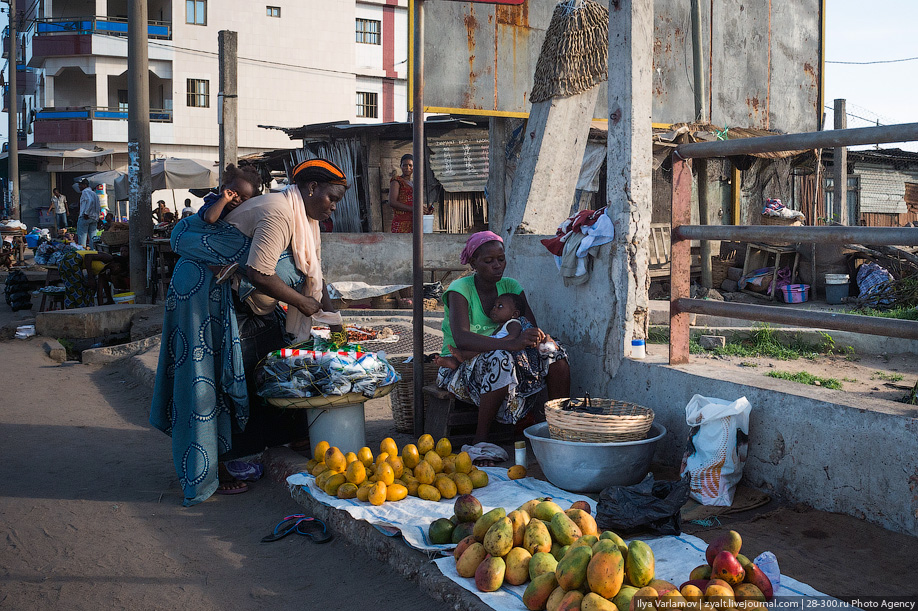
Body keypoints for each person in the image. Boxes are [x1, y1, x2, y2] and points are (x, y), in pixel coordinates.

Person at [150, 158, 348, 506]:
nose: (333, 205)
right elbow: (259, 273)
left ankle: (292, 434)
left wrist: (335, 320)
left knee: (274, 354)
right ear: (311, 188)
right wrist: (304, 305)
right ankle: (213, 466)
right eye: (331, 197)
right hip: (205, 290)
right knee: (211, 376)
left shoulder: (304, 220)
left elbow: (311, 274)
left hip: (232, 290)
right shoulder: (280, 213)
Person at [437, 231, 571, 452]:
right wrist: (509, 344)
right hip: (460, 365)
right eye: (489, 261)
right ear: (474, 263)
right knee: (500, 359)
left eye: (501, 259)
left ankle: (560, 428)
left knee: (555, 354)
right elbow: (461, 338)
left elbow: (528, 327)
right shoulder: (459, 290)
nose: (497, 265)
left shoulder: (511, 287)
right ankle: (480, 440)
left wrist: (540, 338)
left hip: (510, 355)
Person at [388, 154, 416, 233]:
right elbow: (392, 202)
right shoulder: (397, 181)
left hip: (413, 222)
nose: (407, 168)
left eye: (410, 165)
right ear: (400, 166)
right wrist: (414, 209)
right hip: (400, 223)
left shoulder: (413, 183)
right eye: (405, 165)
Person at [76, 179, 101, 248]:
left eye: (80, 185)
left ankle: (82, 252)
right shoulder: (94, 193)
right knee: (93, 237)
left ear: (85, 185)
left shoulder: (85, 192)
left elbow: (90, 201)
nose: (79, 187)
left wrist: (86, 213)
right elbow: (98, 205)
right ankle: (93, 252)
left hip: (85, 217)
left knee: (82, 236)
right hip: (94, 218)